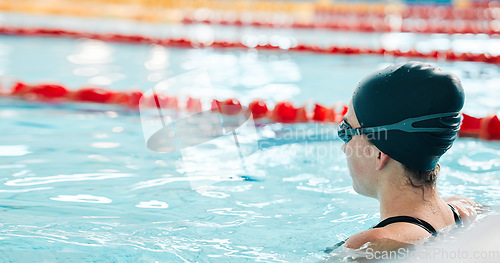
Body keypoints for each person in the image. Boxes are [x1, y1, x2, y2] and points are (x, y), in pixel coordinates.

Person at [336, 61, 479, 251]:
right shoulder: (466, 211)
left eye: (346, 131)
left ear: (379, 153)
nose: (344, 148)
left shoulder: (373, 243)